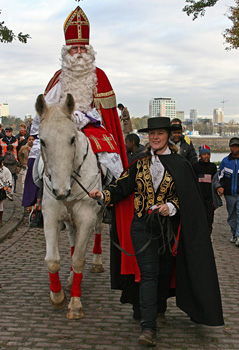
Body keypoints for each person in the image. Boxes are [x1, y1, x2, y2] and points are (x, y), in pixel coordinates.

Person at [90, 117, 224, 347]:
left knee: (164, 273)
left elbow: (189, 199)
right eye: (151, 133)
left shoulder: (181, 164)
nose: (155, 137)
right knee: (149, 274)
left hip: (168, 229)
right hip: (141, 226)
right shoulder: (138, 164)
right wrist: (103, 195)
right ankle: (148, 327)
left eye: (160, 133)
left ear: (168, 136)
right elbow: (120, 187)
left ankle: (159, 308)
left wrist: (171, 207)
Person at [22, 6, 128, 226]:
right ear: (66, 52)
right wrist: (38, 129)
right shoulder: (58, 78)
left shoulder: (99, 77)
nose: (79, 53)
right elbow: (46, 107)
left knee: (109, 155)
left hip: (90, 125)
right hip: (61, 125)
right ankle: (39, 204)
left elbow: (103, 112)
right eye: (74, 48)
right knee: (40, 153)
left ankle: (108, 200)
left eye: (82, 48)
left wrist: (85, 117)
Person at [217, 137, 239, 246]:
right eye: (233, 146)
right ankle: (234, 233)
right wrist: (219, 187)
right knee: (232, 215)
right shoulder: (225, 161)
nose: (234, 148)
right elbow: (220, 177)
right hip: (229, 194)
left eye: (236, 146)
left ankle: (238, 235)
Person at [192, 144, 217, 240]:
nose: (206, 156)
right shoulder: (195, 167)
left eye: (208, 154)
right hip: (198, 197)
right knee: (199, 217)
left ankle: (208, 235)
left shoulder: (213, 167)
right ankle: (199, 234)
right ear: (200, 155)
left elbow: (216, 181)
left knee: (209, 217)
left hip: (209, 197)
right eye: (204, 154)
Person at [0, 155, 13, 224]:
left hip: (1, 190)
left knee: (1, 204)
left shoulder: (5, 170)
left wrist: (9, 186)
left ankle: (0, 220)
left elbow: (9, 178)